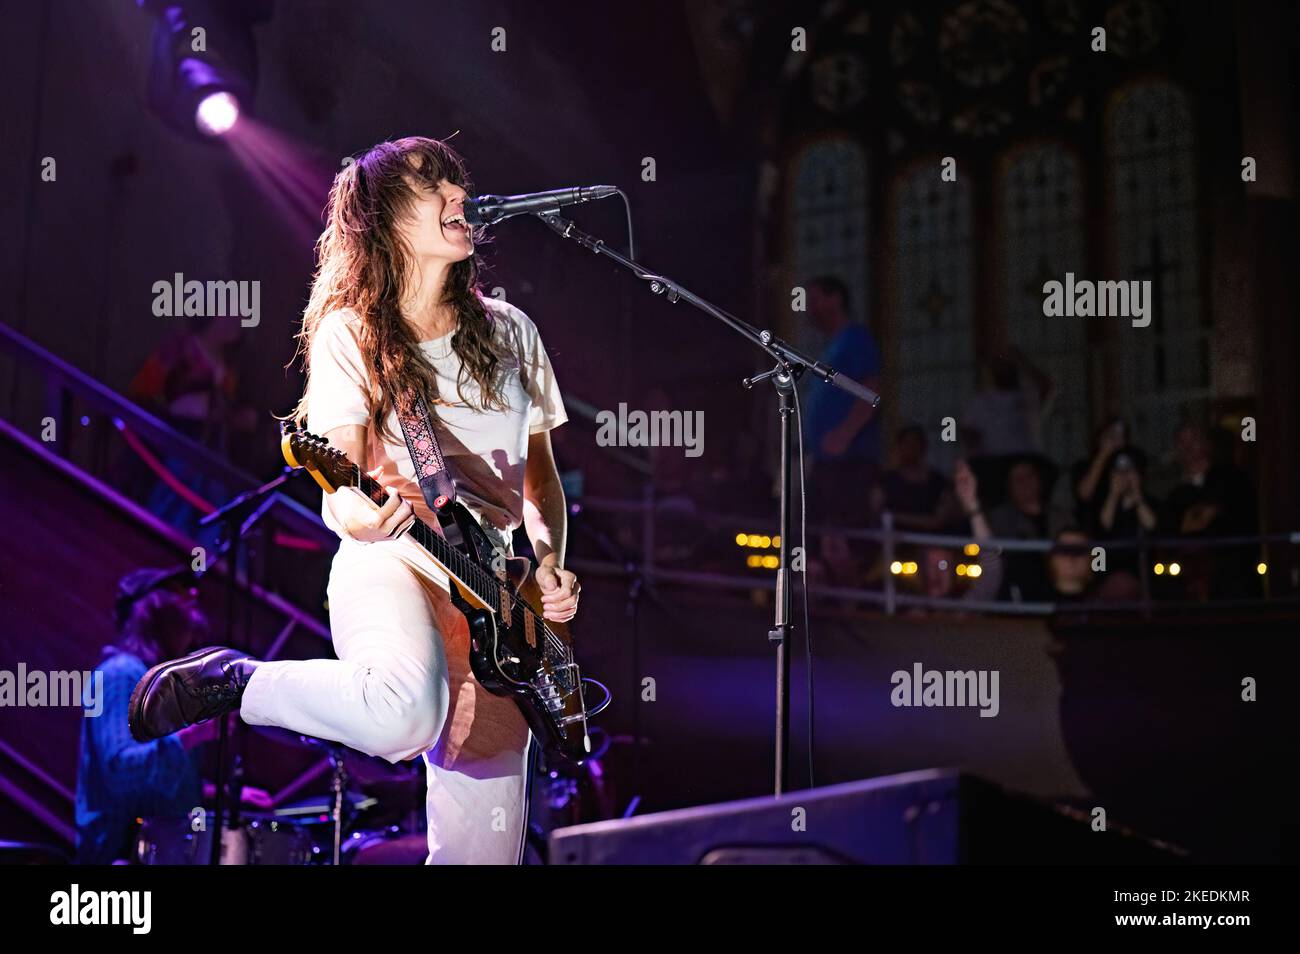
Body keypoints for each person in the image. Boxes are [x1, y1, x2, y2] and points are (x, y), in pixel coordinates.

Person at [128, 137, 580, 865]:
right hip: (394, 560)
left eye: (458, 179)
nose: (458, 194)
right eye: (433, 183)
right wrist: (359, 515)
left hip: (499, 601)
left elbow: (543, 479)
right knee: (403, 716)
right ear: (386, 219)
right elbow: (337, 475)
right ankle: (240, 682)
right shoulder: (355, 332)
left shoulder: (512, 333)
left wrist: (551, 559)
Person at [74, 568, 270, 864]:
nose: (192, 598)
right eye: (178, 595)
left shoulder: (155, 682)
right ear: (154, 615)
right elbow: (120, 772)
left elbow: (159, 789)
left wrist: (218, 793)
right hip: (121, 854)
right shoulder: (119, 675)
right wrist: (196, 733)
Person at [802, 275, 882, 587]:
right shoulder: (830, 346)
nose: (809, 307)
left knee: (845, 541)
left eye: (815, 298)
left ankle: (853, 596)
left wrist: (843, 434)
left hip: (849, 462)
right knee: (822, 538)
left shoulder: (856, 339)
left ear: (836, 299)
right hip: (826, 462)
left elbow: (872, 389)